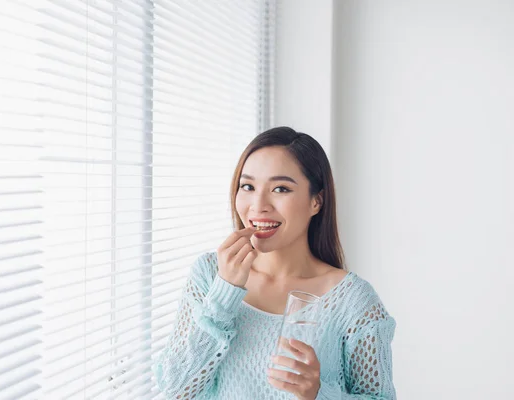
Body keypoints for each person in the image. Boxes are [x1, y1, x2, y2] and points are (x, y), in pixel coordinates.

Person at [153, 127, 396, 399]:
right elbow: (176, 391)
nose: (258, 205)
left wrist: (318, 394)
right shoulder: (210, 274)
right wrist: (224, 291)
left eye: (281, 188)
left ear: (317, 201)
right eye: (248, 186)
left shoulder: (353, 301)